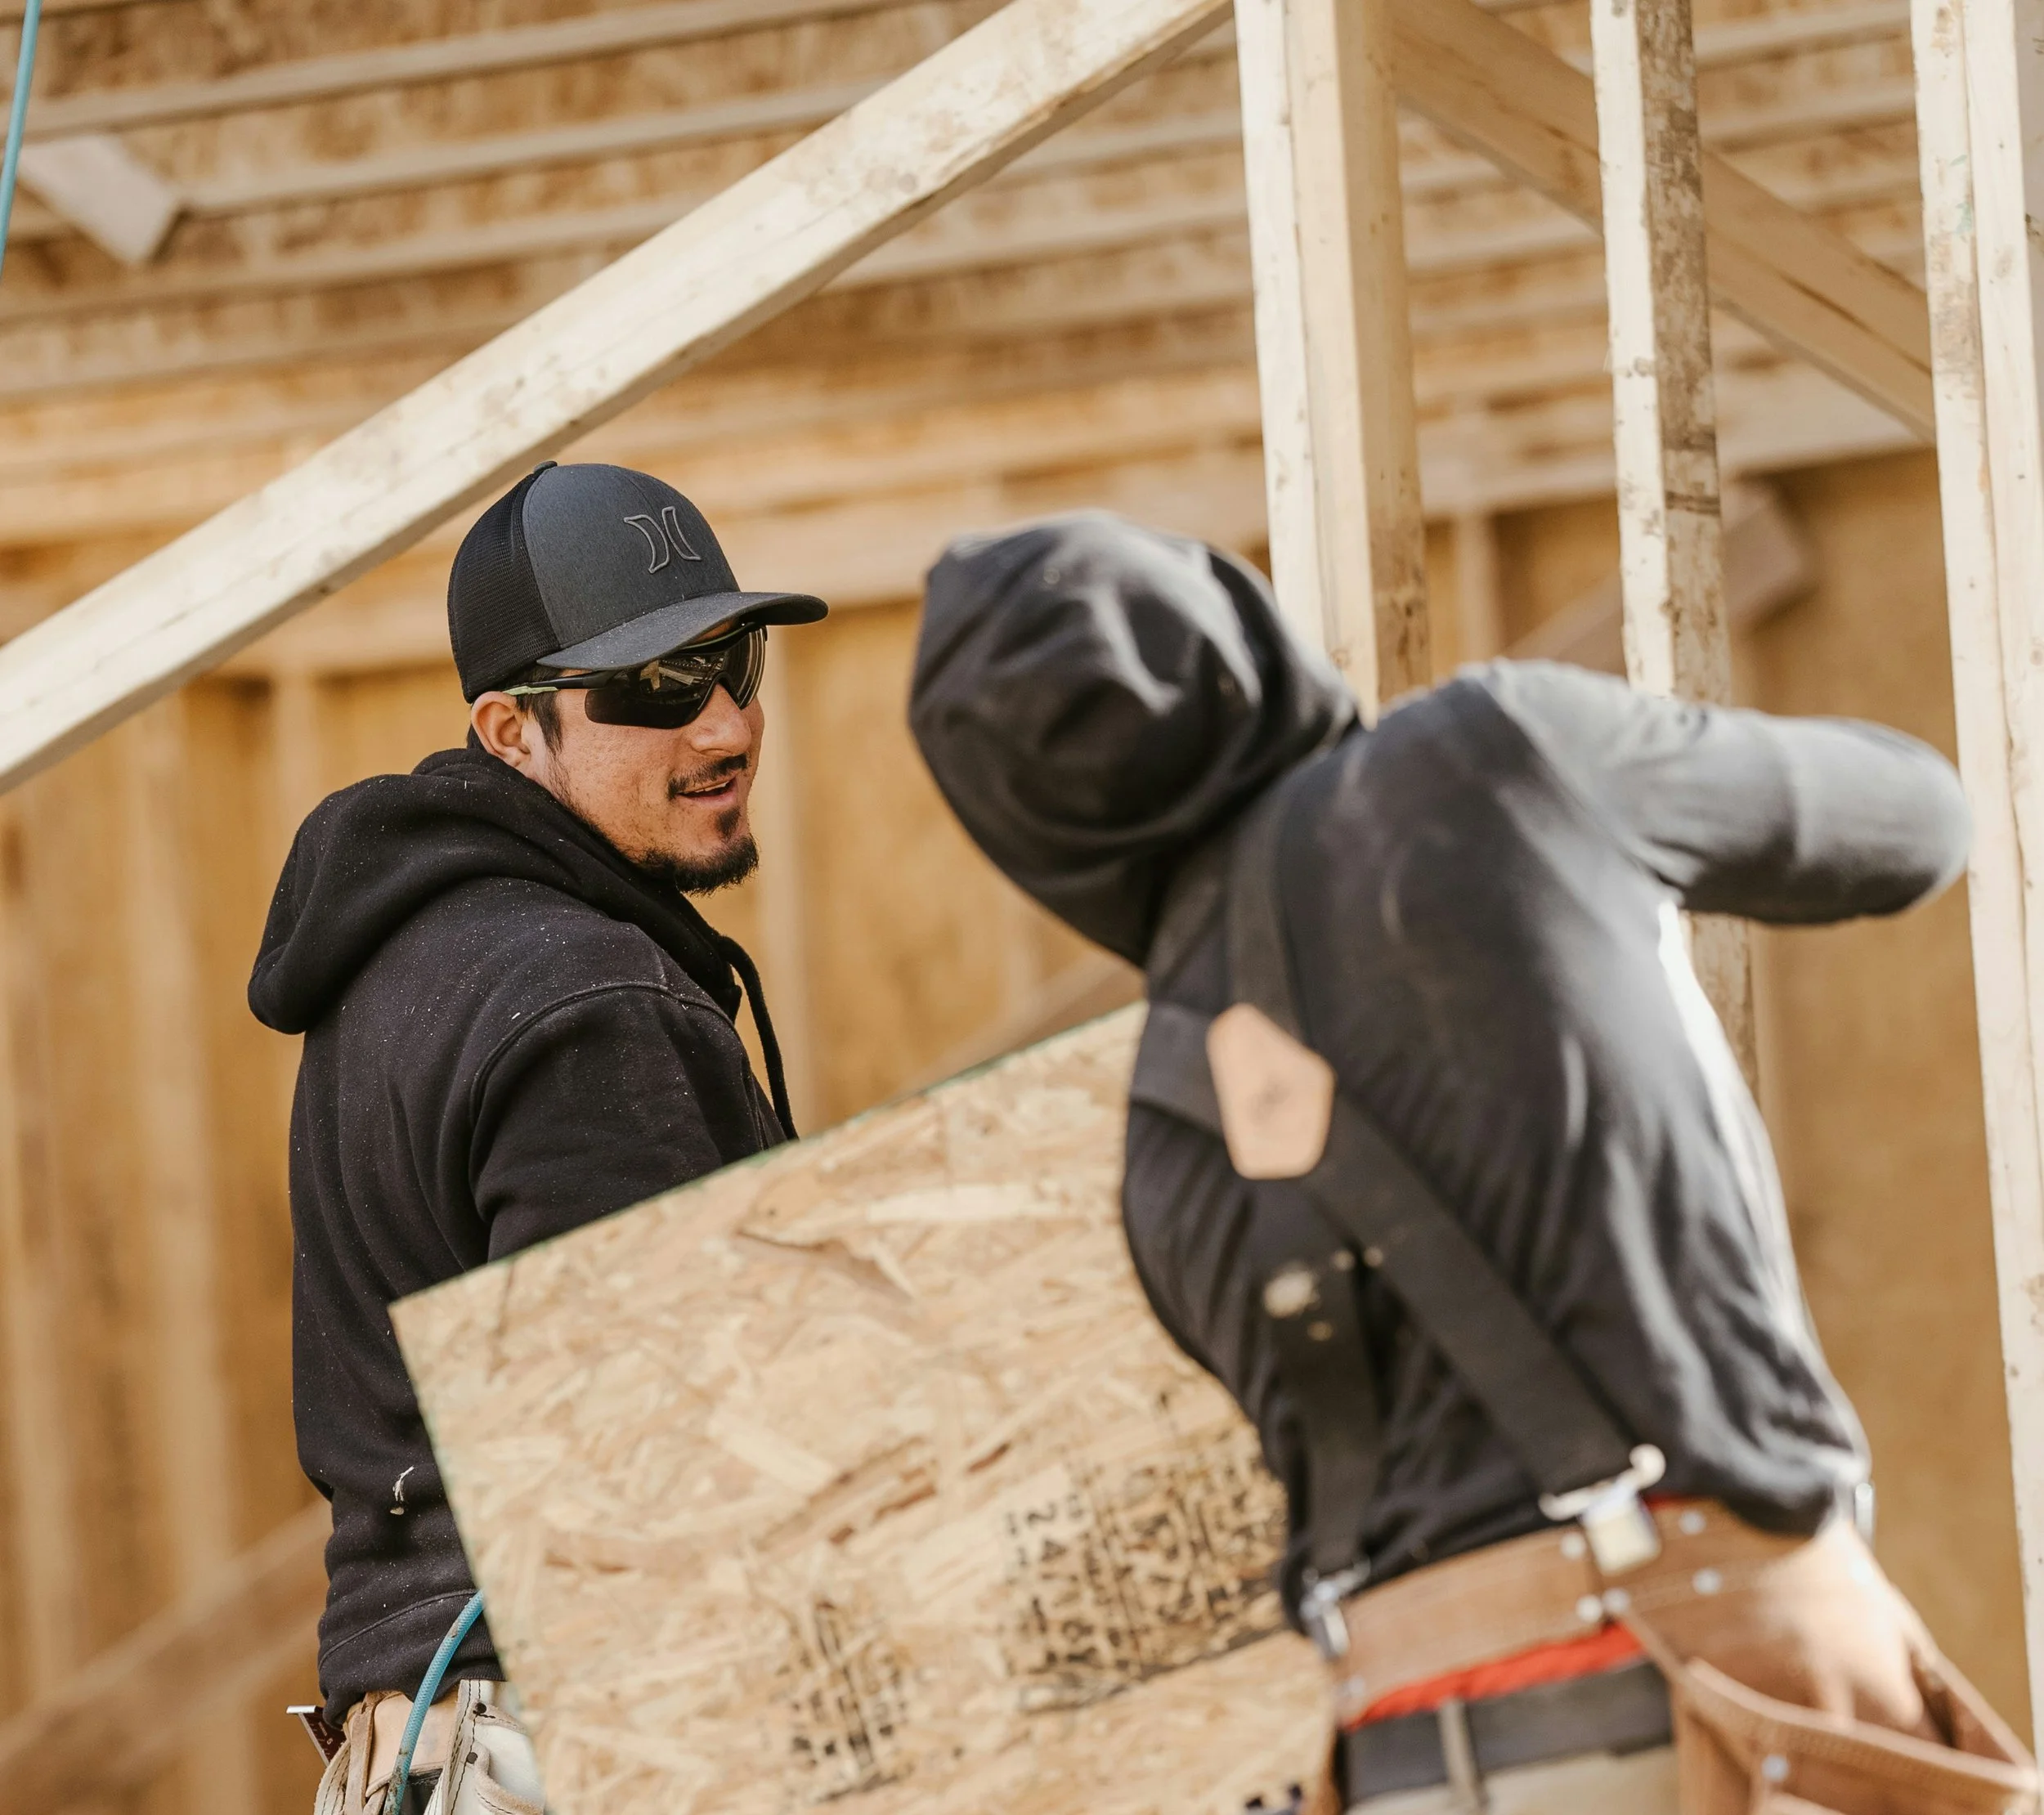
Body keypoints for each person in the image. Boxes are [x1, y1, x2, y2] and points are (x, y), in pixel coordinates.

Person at [908, 512, 2038, 1815]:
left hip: (1394, 1751)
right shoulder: (1494, 764)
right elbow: (1920, 823)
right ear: (1239, 641)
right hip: (1718, 1694)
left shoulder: (1160, 1139)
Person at [250, 462, 826, 1815]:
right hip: (580, 1742)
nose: (728, 723)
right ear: (512, 733)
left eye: (734, 662)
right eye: (654, 687)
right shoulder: (591, 1008)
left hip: (422, 1752)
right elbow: (652, 1489)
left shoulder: (401, 967)